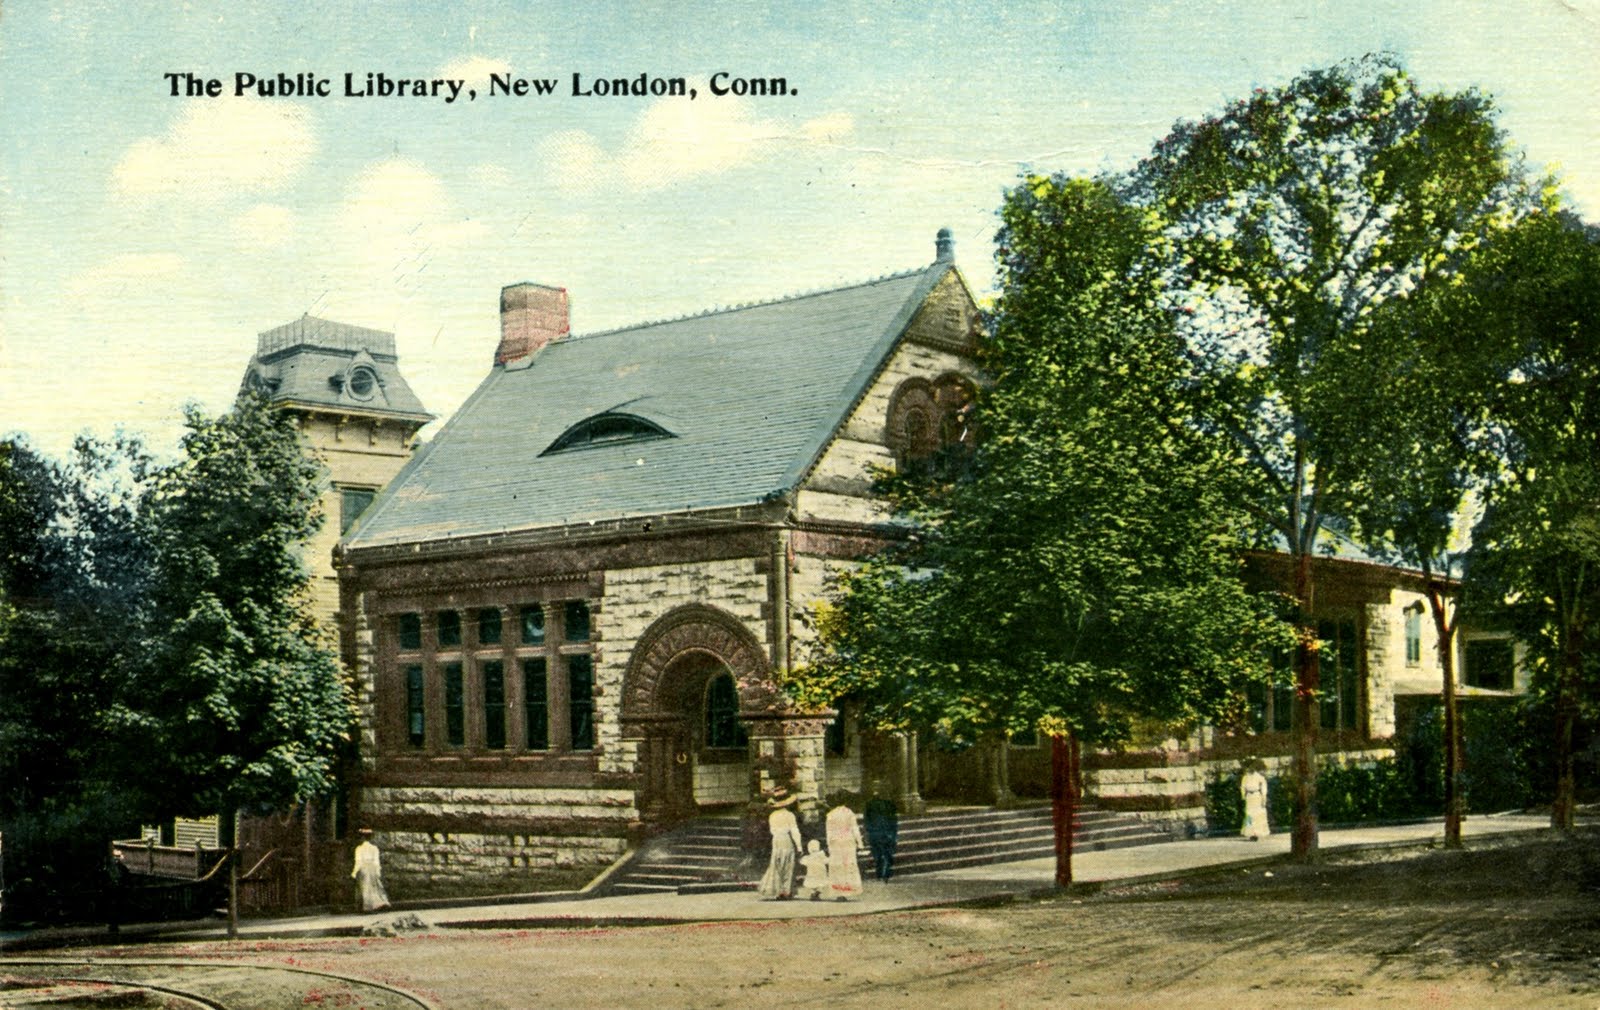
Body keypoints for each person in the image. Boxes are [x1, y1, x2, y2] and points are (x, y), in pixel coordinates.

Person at [757, 788, 803, 900]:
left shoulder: (772, 815)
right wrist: (799, 846)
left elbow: (772, 830)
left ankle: (778, 891)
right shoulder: (789, 815)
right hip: (785, 839)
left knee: (777, 863)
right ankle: (786, 891)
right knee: (788, 864)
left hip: (776, 840)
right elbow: (794, 831)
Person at [824, 801, 864, 900]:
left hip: (836, 841)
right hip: (848, 841)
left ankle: (839, 892)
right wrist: (860, 843)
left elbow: (829, 832)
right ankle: (847, 890)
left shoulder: (831, 814)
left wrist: (829, 845)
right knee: (847, 865)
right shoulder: (849, 813)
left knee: (837, 866)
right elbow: (855, 829)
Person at [863, 784, 899, 882]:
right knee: (882, 855)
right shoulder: (871, 804)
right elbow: (894, 820)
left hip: (879, 834)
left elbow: (893, 820)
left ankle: (882, 874)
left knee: (880, 855)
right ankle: (883, 874)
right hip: (881, 834)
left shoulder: (886, 804)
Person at [351, 827, 391, 911]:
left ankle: (368, 906)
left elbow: (358, 862)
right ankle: (376, 904)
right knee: (374, 887)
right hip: (372, 868)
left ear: (362, 837)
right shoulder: (374, 848)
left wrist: (354, 873)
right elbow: (376, 861)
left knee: (365, 887)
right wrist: (377, 871)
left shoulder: (359, 848)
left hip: (364, 869)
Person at [1240, 760, 1271, 841]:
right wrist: (1243, 796)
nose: (1250, 768)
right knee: (1249, 815)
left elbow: (1264, 788)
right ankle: (1250, 833)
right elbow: (1243, 787)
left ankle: (1257, 833)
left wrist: (1263, 798)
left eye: (1252, 766)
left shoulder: (1259, 777)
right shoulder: (1245, 777)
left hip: (1257, 796)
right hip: (1249, 797)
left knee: (1258, 815)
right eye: (1249, 767)